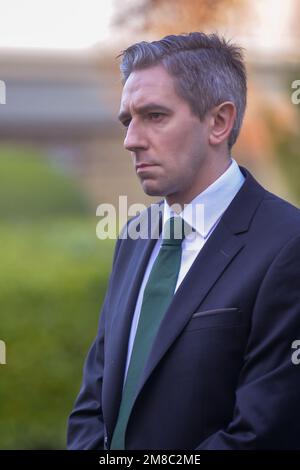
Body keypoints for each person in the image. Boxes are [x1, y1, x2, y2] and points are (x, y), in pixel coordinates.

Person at [67, 32, 300, 450]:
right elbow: (92, 406)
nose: (131, 140)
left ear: (218, 122)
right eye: (127, 120)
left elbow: (263, 435)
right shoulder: (135, 237)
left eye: (154, 116)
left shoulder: (288, 245)